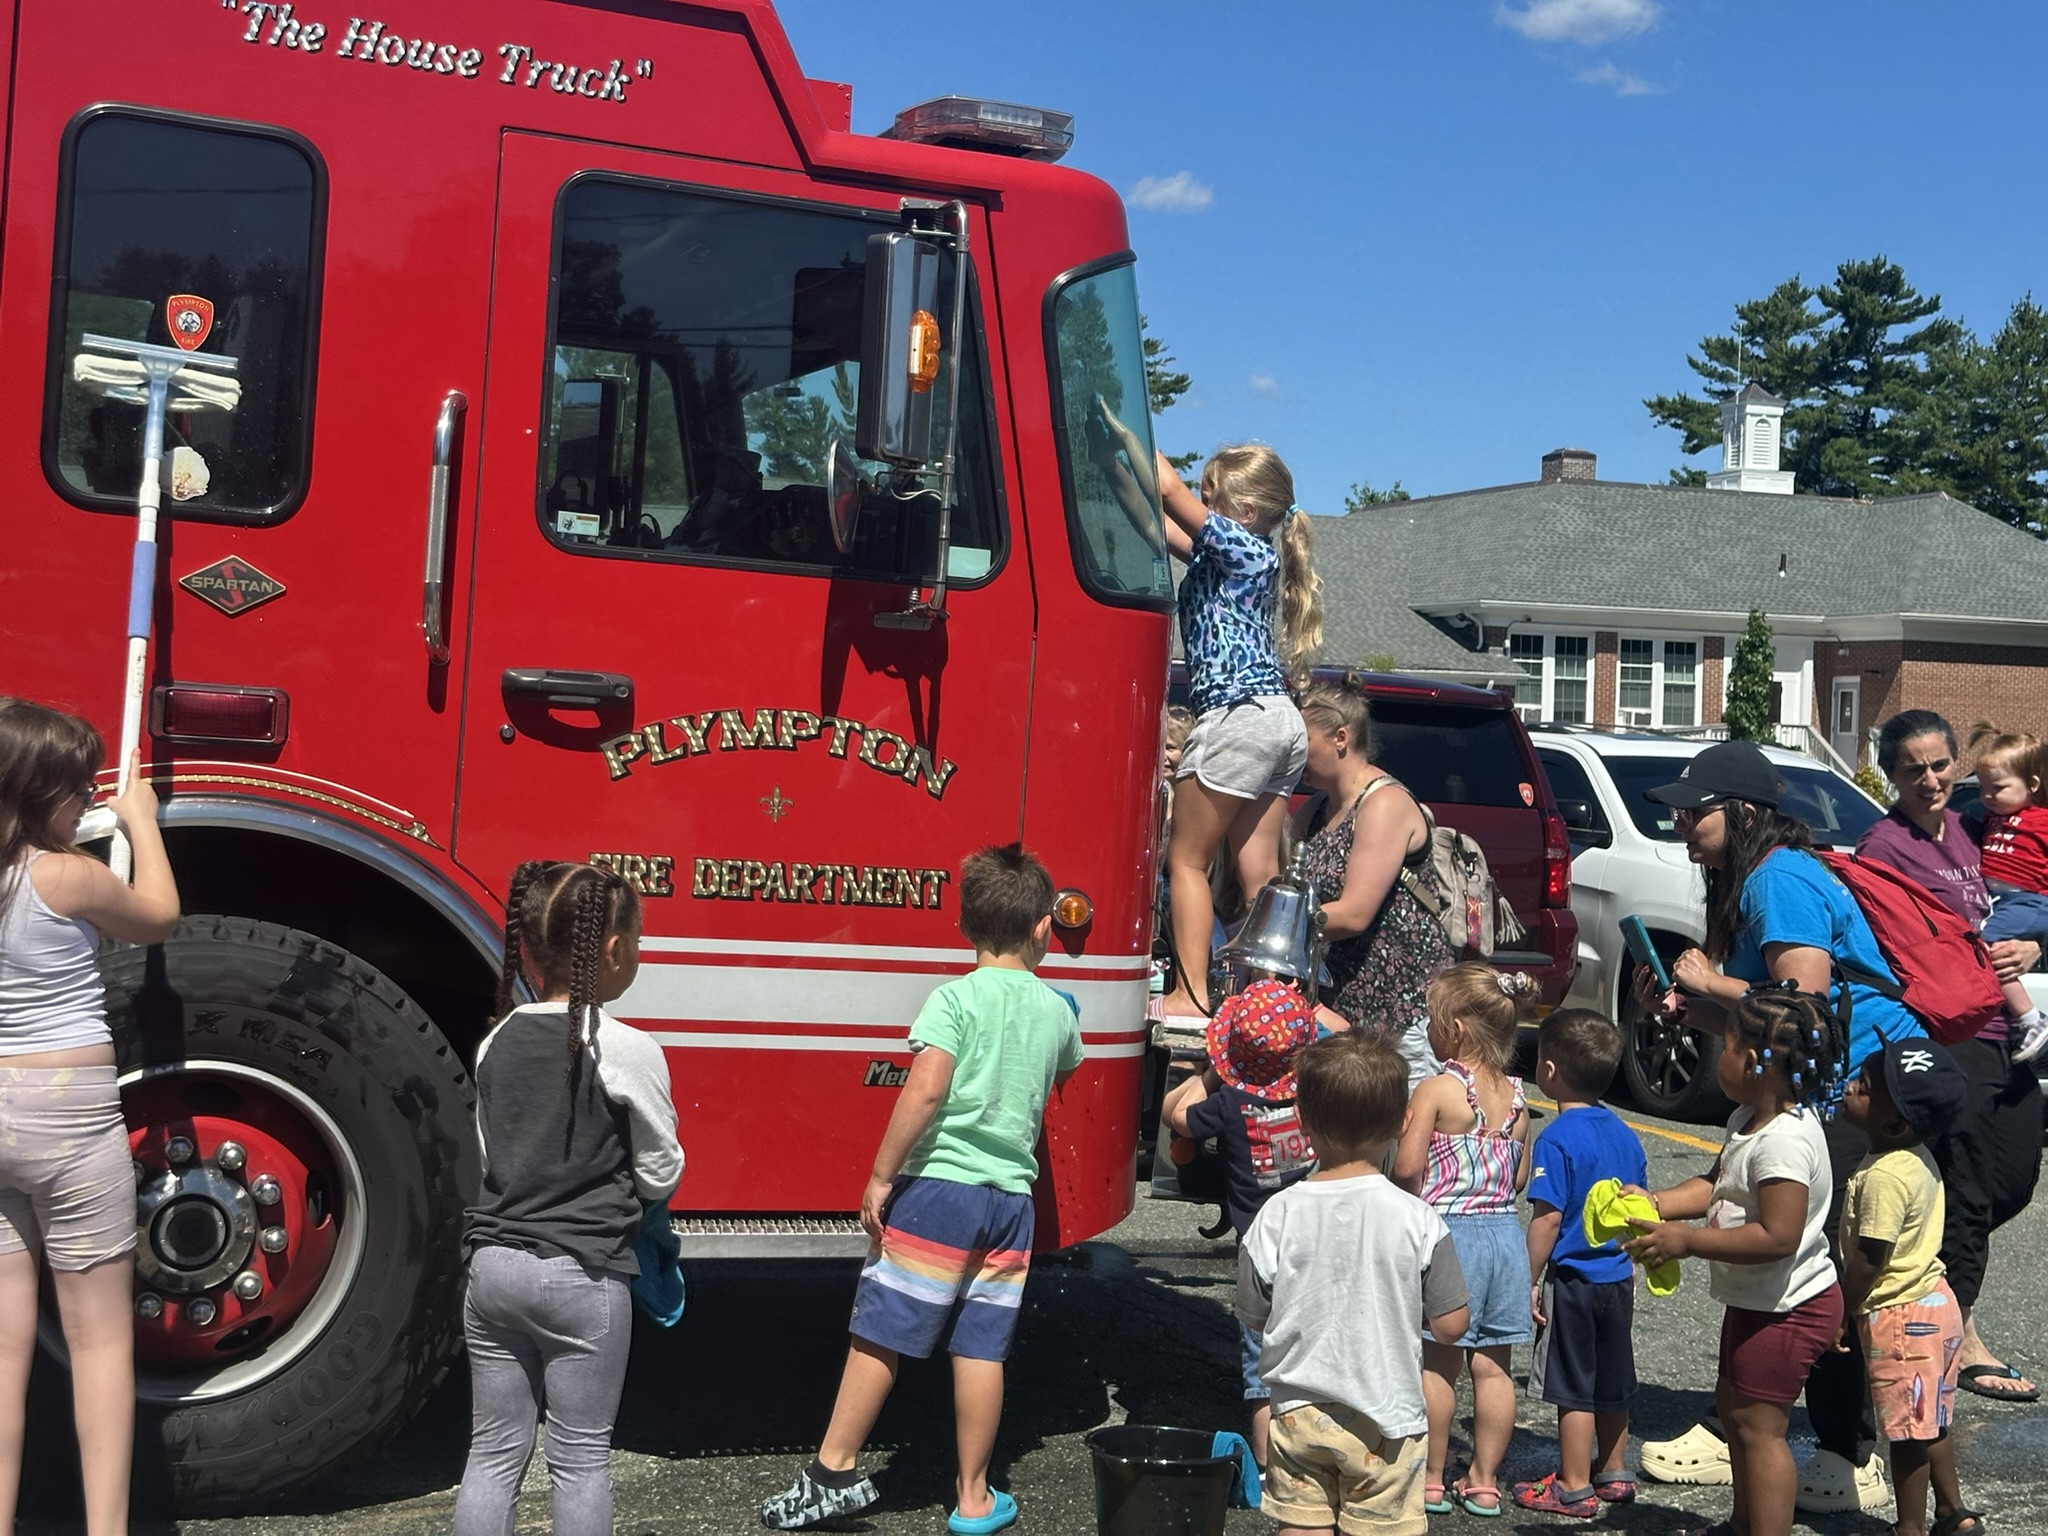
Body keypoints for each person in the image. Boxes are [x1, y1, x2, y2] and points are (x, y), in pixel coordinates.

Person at [1633, 738, 1925, 1513]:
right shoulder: (1755, 877)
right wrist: (1695, 1005)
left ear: (1743, 814)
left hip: (1856, 1089)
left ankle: (1842, 1449)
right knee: (1795, 1255)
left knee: (1818, 1264)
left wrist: (1709, 978)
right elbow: (1768, 1010)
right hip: (1821, 1084)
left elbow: (1804, 1000)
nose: (1683, 824)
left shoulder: (1780, 879)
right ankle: (1751, 1422)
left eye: (1696, 811)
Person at [763, 844, 1083, 1534]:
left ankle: (832, 1470)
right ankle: (972, 1498)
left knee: (881, 1332)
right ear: (1040, 930)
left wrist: (881, 1175)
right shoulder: (1057, 1011)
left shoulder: (953, 999)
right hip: (1010, 1203)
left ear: (967, 929)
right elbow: (1062, 1074)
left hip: (941, 1192)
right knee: (981, 1346)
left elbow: (928, 1087)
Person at [455, 861, 682, 1536]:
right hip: (582, 1276)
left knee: (493, 1452)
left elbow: (494, 1155)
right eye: (637, 942)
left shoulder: (497, 1040)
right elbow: (661, 1169)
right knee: (579, 1458)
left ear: (526, 948)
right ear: (613, 950)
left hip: (492, 1270)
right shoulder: (628, 1048)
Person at [0, 700, 178, 1536]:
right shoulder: (66, 875)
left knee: (3, 1353)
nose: (88, 800)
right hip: (68, 1119)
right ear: (41, 795)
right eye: (77, 786)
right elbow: (160, 915)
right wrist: (141, 822)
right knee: (101, 1344)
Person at [1856, 711, 2044, 1406]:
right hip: (1945, 1037)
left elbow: (2027, 900)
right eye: (1914, 769)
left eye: (1940, 765)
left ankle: (1923, 1280)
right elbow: (1878, 948)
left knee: (2016, 1176)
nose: (1930, 780)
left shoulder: (1977, 826)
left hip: (2006, 1032)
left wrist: (2033, 947)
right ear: (1891, 774)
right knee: (1966, 1185)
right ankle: (1955, 1336)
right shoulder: (1884, 845)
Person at [1625, 989, 1848, 1536]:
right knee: (1736, 1410)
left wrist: (1688, 1242)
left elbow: (1777, 1235)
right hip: (1761, 1298)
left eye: (1724, 1044)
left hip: (1789, 1305)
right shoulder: (1748, 1119)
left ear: (1751, 1062)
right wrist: (1656, 1204)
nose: (1715, 1052)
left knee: (1759, 1428)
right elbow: (1715, 1182)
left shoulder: (1784, 1145)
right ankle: (1743, 1523)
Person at [1236, 1031, 1471, 1536]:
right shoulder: (1419, 1220)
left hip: (1299, 1410)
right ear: (1403, 1122)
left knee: (1301, 1526)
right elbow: (1452, 1326)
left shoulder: (1275, 1214)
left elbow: (1254, 1315)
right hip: (1387, 1414)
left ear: (1301, 1120)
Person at [1153, 443, 1322, 1018]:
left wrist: (1128, 429)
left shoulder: (1248, 550)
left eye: (1212, 494)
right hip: (1278, 720)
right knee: (1260, 876)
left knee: (1188, 862)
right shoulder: (1227, 558)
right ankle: (1262, 1001)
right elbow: (1160, 517)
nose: (1199, 500)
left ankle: (1191, 994)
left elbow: (1168, 492)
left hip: (1237, 716)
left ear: (1245, 511)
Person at [1392, 963, 1533, 1518]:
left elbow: (1407, 1168)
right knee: (1493, 1366)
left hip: (1450, 1236)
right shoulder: (1519, 1098)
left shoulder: (1437, 1090)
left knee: (1439, 1361)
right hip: (1505, 1235)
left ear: (1454, 1028)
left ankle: (1430, 1477)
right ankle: (1484, 1480)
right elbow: (1519, 1178)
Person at [1163, 979, 1318, 1472]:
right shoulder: (1315, 1094)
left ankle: (1270, 1468)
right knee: (1307, 1349)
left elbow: (1177, 1116)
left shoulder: (1228, 1103)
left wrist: (1212, 1073)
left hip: (1259, 1245)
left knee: (1262, 1363)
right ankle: (1313, 1454)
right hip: (1314, 1240)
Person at [1836, 1040, 1985, 1536]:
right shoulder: (1915, 1155)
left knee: (1904, 1433)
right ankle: (1952, 1512)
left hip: (1901, 1316)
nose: (1853, 1083)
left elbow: (1869, 1259)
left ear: (1894, 1123)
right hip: (1935, 1302)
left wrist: (1842, 1310)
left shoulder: (1884, 1176)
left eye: (1865, 1087)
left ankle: (1909, 1527)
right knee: (1931, 1421)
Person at [1513, 1008, 1648, 1519]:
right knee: (1613, 1378)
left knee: (1574, 1385)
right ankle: (1613, 1472)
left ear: (1547, 1072)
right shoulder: (1624, 1133)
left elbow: (1546, 1220)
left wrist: (1527, 1280)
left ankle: (1571, 1485)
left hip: (1572, 1279)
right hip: (1617, 1274)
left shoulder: (1557, 1138)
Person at [1294, 675, 1453, 1088]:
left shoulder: (1384, 803)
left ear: (1340, 738)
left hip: (1402, 1012)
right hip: (1340, 1010)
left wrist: (1276, 924)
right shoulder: (1314, 811)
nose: (1294, 751)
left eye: (1302, 738)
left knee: (1405, 1135)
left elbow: (1355, 912)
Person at [1967, 724, 2048, 1061]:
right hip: (2002, 899)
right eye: (1983, 788)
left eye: (1997, 788)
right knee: (1993, 950)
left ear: (2032, 785)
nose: (1987, 796)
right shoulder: (1990, 819)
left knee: (1979, 942)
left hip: (2030, 900)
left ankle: (2031, 1019)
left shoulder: (2041, 820)